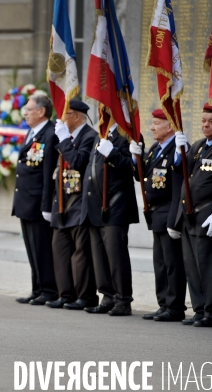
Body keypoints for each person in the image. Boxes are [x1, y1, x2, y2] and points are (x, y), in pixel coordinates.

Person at [173, 103, 212, 328]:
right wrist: (180, 153)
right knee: (192, 266)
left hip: (208, 215)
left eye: (211, 121)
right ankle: (200, 309)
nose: (205, 125)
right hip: (190, 215)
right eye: (203, 121)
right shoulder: (199, 146)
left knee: (209, 267)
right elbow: (185, 176)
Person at [130, 109, 187, 322]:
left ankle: (175, 306)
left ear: (170, 126)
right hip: (156, 214)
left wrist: (175, 220)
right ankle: (164, 303)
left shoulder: (178, 148)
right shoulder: (155, 148)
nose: (152, 127)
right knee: (161, 263)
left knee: (173, 263)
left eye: (156, 123)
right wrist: (136, 157)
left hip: (168, 213)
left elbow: (179, 185)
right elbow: (141, 176)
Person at [80, 123, 139, 316]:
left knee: (116, 257)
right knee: (99, 256)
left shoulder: (128, 133)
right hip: (96, 205)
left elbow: (133, 168)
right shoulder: (102, 134)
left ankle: (123, 299)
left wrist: (112, 152)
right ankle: (107, 296)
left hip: (115, 205)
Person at [46, 100, 98, 310]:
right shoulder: (65, 136)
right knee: (60, 250)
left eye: (65, 114)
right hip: (63, 201)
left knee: (81, 254)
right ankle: (65, 293)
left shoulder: (90, 137)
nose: (60, 119)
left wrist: (64, 141)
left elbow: (78, 161)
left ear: (76, 116)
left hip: (79, 202)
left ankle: (85, 296)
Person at [13, 95, 59, 306]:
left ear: (41, 111)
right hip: (25, 200)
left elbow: (48, 172)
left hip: (38, 202)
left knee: (42, 248)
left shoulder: (50, 135)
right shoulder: (33, 133)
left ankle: (49, 290)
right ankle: (37, 288)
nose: (25, 112)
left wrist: (46, 205)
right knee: (32, 248)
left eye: (29, 109)